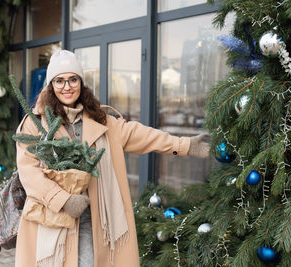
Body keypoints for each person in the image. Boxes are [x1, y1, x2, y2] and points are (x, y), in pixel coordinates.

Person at [15, 50, 210, 267]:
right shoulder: (35, 123)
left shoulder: (102, 119)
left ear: (81, 82)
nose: (67, 87)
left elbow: (141, 134)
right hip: (51, 219)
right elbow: (29, 173)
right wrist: (63, 200)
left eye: (73, 79)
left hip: (96, 217)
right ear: (51, 85)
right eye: (59, 81)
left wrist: (185, 145)